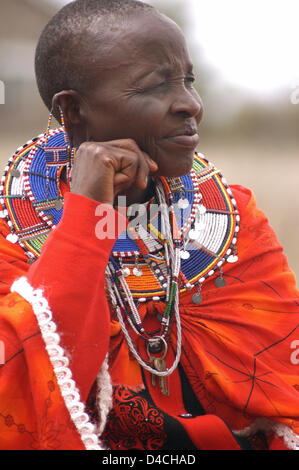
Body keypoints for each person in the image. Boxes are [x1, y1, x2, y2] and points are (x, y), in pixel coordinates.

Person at [0, 0, 299, 451]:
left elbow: (286, 395)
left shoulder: (235, 217)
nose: (191, 105)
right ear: (73, 110)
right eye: (156, 87)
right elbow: (24, 394)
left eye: (188, 81)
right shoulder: (10, 233)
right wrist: (85, 213)